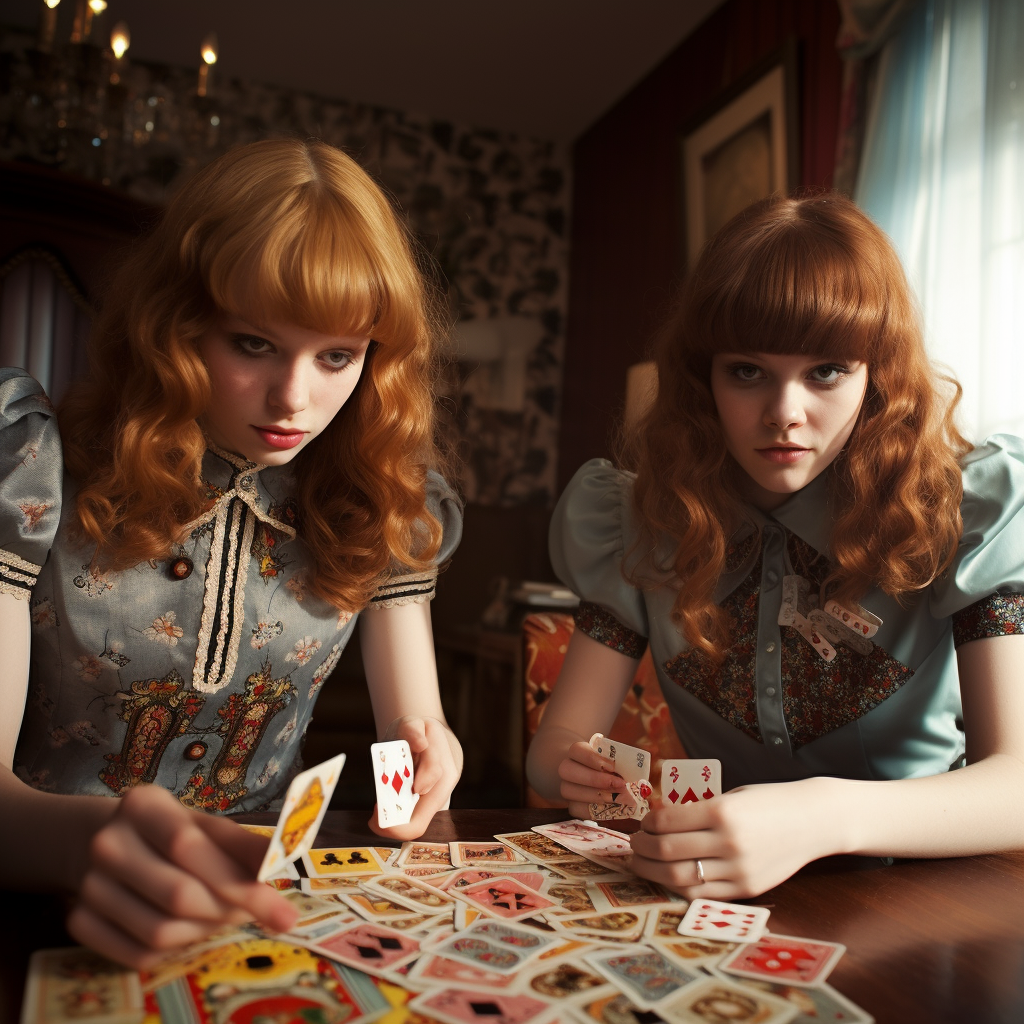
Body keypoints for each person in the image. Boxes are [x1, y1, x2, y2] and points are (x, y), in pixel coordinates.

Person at [0, 138, 463, 965]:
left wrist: (432, 762)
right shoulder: (33, 465)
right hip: (38, 921)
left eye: (337, 356)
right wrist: (91, 846)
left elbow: (412, 739)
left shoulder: (383, 498)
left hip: (260, 921)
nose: (294, 397)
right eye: (252, 343)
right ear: (177, 324)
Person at [526, 191, 1024, 899]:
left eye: (826, 371)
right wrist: (573, 769)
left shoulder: (961, 512)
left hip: (923, 911)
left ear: (877, 375)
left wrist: (824, 816)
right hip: (703, 901)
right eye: (748, 371)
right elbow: (553, 751)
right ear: (705, 379)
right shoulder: (639, 519)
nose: (784, 415)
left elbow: (1017, 788)